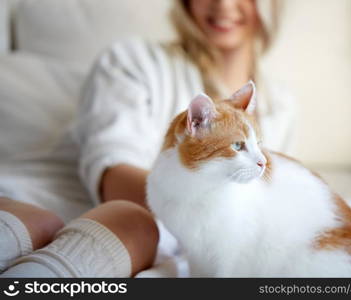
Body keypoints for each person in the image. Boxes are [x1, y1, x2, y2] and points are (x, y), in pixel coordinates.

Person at [0, 0, 295, 277]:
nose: (224, 5)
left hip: (135, 240)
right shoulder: (130, 60)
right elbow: (112, 172)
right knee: (131, 221)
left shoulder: (279, 104)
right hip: (42, 203)